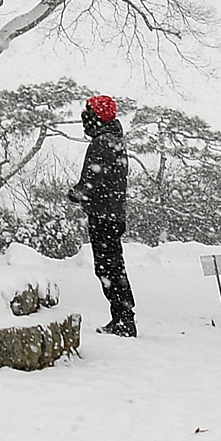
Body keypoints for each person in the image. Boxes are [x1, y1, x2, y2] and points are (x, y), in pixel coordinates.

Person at [68, 94, 136, 336]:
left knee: (108, 268)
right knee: (113, 267)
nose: (84, 121)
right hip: (114, 214)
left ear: (95, 117)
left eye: (87, 116)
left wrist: (75, 194)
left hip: (103, 216)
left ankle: (123, 320)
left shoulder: (102, 143)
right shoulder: (116, 141)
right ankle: (123, 317)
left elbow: (91, 181)